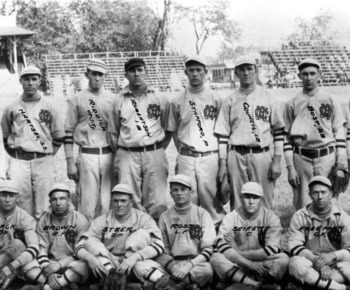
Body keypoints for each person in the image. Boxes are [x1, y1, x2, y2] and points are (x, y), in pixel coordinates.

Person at [214, 54, 285, 210]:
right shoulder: (230, 100)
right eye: (242, 70)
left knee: (264, 201)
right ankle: (240, 234)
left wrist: (277, 161)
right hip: (236, 155)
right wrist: (223, 165)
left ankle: (265, 234)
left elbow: (279, 132)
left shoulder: (268, 97)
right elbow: (223, 136)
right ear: (236, 73)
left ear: (256, 71)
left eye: (249, 69)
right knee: (238, 202)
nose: (246, 73)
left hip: (261, 155)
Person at [166, 56, 226, 227]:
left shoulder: (217, 98)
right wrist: (184, 152)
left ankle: (216, 239)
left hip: (210, 156)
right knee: (186, 199)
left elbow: (223, 133)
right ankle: (190, 238)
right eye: (191, 70)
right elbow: (175, 132)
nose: (194, 74)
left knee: (212, 200)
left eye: (198, 70)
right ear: (186, 73)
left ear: (205, 72)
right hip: (186, 156)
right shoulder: (177, 100)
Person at [108, 58, 171, 222]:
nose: (136, 74)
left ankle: (157, 236)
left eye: (140, 70)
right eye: (132, 71)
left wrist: (156, 146)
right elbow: (113, 132)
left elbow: (168, 127)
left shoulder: (159, 97)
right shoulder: (119, 99)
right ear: (126, 75)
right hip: (127, 153)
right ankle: (134, 234)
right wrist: (125, 150)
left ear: (146, 72)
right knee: (129, 196)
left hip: (154, 151)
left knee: (157, 198)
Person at [73, 184, 167, 290]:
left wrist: (135, 257)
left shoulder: (143, 218)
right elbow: (80, 246)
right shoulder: (102, 220)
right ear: (111, 202)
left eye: (123, 201)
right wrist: (90, 258)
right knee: (87, 249)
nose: (119, 204)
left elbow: (159, 245)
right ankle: (116, 278)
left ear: (131, 202)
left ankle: (105, 284)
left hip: (133, 262)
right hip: (109, 263)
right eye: (115, 201)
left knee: (140, 236)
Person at [1, 66, 65, 220]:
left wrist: (46, 153)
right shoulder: (11, 107)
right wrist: (16, 153)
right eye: (26, 79)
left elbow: (58, 135)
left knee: (44, 204)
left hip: (43, 160)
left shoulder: (50, 106)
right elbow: (5, 135)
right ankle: (24, 239)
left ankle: (43, 240)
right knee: (21, 202)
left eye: (34, 79)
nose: (30, 83)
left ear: (39, 81)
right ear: (20, 81)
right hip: (19, 161)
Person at [283, 58, 347, 209]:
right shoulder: (292, 102)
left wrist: (341, 164)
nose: (309, 77)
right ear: (299, 76)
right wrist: (290, 167)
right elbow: (287, 139)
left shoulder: (331, 99)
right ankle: (305, 231)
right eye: (305, 74)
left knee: (328, 202)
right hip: (302, 158)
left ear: (320, 75)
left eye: (313, 73)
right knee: (303, 202)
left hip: (327, 157)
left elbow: (339, 132)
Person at [211, 182, 289, 290]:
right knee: (216, 257)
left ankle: (238, 280)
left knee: (283, 259)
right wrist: (249, 264)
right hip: (238, 264)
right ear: (241, 198)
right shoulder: (231, 217)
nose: (251, 202)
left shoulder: (271, 218)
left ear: (261, 200)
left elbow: (271, 250)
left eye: (255, 198)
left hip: (262, 264)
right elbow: (221, 245)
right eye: (247, 197)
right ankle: (256, 284)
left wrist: (237, 252)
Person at [64, 59, 115, 220]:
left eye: (100, 74)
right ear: (87, 74)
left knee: (109, 203)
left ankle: (109, 239)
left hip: (109, 154)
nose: (97, 78)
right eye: (94, 74)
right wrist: (70, 161)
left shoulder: (113, 99)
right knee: (87, 203)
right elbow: (68, 132)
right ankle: (84, 239)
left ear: (105, 76)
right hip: (87, 154)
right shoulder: (77, 99)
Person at [20, 183, 90, 290]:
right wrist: (49, 271)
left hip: (71, 263)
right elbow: (42, 249)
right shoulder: (44, 220)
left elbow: (80, 250)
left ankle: (45, 288)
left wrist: (60, 264)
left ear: (69, 201)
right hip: (50, 263)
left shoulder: (80, 220)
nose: (58, 203)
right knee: (26, 265)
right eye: (54, 199)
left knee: (84, 265)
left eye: (62, 198)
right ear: (50, 202)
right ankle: (64, 284)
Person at [288, 176, 350, 290]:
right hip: (310, 262)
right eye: (316, 193)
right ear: (310, 194)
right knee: (294, 263)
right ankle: (339, 288)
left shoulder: (342, 217)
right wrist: (316, 261)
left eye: (323, 192)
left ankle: (318, 284)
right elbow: (294, 246)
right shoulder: (300, 216)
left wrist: (332, 255)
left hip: (336, 263)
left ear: (331, 193)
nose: (320, 197)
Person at [156, 174, 216, 290]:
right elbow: (163, 250)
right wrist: (173, 266)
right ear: (171, 194)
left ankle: (175, 284)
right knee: (148, 266)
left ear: (191, 192)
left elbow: (209, 249)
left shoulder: (202, 214)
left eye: (183, 189)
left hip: (196, 262)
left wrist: (190, 265)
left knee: (207, 271)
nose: (179, 193)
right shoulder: (164, 217)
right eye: (175, 190)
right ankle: (188, 285)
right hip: (173, 262)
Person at [0, 180, 39, 290]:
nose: (7, 200)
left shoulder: (25, 218)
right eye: (3, 195)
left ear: (18, 197)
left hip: (16, 258)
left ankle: (9, 273)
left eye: (11, 196)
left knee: (16, 244)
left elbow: (34, 247)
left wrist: (12, 266)